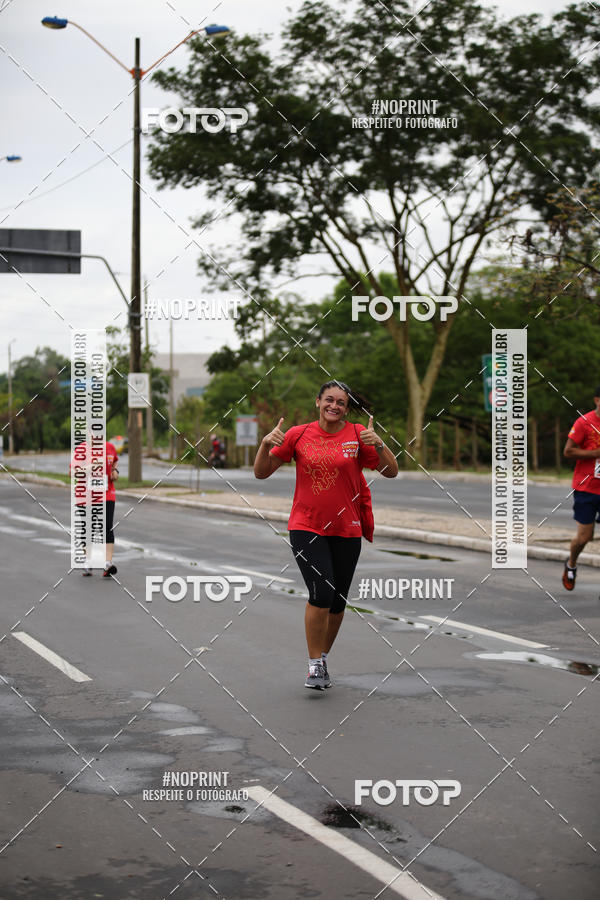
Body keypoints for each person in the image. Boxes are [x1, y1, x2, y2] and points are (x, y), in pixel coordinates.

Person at [253, 380, 399, 690]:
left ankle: (323, 658)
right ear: (318, 401)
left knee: (338, 600)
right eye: (329, 400)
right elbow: (261, 472)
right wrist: (265, 445)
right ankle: (314, 664)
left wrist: (380, 445)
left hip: (347, 528)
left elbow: (391, 472)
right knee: (321, 593)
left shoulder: (359, 434)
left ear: (347, 409)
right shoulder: (298, 434)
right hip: (306, 527)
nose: (334, 406)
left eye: (341, 403)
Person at [562, 388, 600, 590]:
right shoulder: (584, 423)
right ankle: (571, 563)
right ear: (597, 400)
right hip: (587, 487)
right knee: (585, 537)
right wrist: (595, 453)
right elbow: (568, 451)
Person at [70, 437, 119, 578]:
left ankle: (108, 563)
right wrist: (90, 467)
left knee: (107, 526)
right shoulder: (82, 449)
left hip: (107, 494)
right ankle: (87, 563)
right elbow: (72, 472)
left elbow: (114, 462)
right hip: (85, 496)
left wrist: (115, 472)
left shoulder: (109, 447)